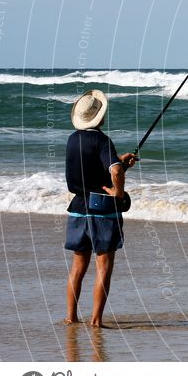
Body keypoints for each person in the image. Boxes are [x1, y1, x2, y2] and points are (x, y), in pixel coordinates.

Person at [64, 89, 136, 327]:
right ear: (100, 116)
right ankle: (96, 320)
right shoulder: (102, 141)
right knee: (103, 266)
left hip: (77, 208)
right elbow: (112, 172)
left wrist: (121, 165)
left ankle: (71, 317)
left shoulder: (72, 139)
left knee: (77, 267)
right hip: (102, 212)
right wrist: (120, 192)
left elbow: (94, 172)